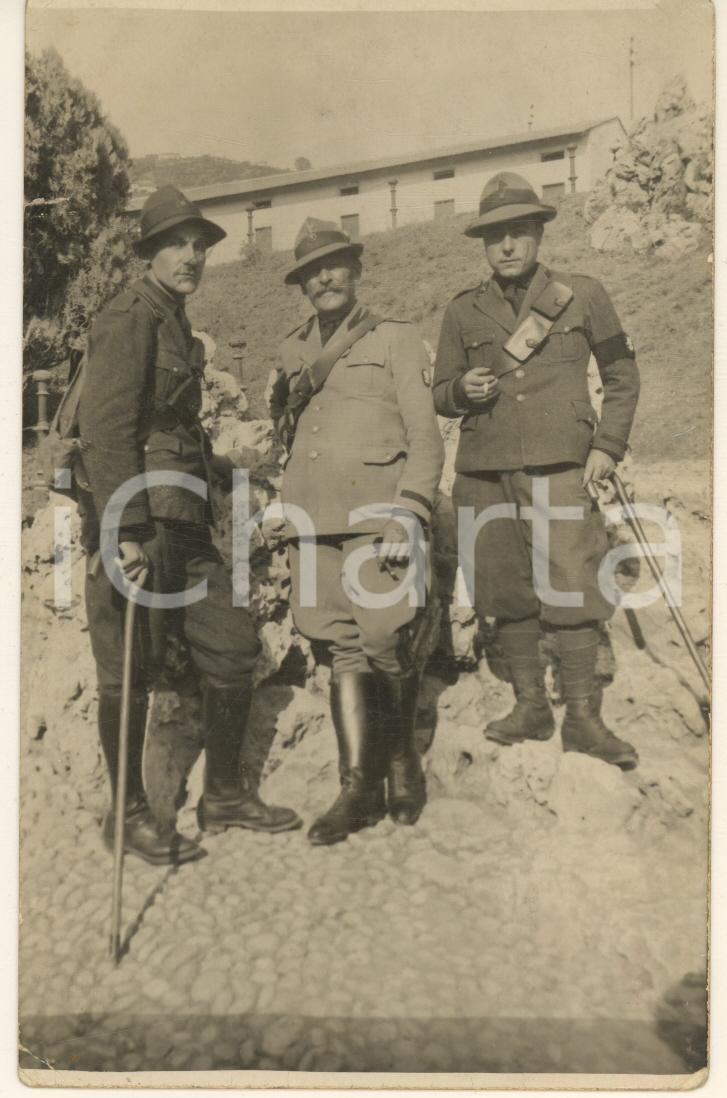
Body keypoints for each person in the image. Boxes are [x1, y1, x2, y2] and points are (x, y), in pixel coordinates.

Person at [78, 185, 301, 865]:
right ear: (148, 251)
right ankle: (129, 815)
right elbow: (105, 429)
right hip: (138, 525)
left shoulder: (172, 321)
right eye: (177, 243)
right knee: (130, 672)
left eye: (200, 245)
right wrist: (125, 529)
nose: (192, 256)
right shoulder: (129, 317)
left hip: (185, 521)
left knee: (232, 644)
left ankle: (225, 794)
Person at [432, 172, 640, 770]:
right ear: (483, 243)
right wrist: (460, 390)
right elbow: (440, 393)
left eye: (518, 233)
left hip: (560, 465)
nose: (507, 246)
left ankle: (583, 720)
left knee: (572, 587)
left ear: (539, 234)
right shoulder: (461, 310)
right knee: (505, 589)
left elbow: (623, 377)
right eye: (495, 236)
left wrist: (608, 446)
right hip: (485, 468)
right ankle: (530, 708)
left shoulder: (583, 294)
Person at [268, 218, 444, 845]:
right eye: (312, 271)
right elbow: (284, 436)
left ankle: (401, 762)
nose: (325, 277)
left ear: (356, 269)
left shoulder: (396, 339)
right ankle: (356, 786)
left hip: (378, 520)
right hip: (313, 521)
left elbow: (424, 436)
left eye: (336, 264)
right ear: (302, 284)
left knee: (384, 635)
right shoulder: (291, 351)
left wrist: (411, 508)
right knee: (337, 642)